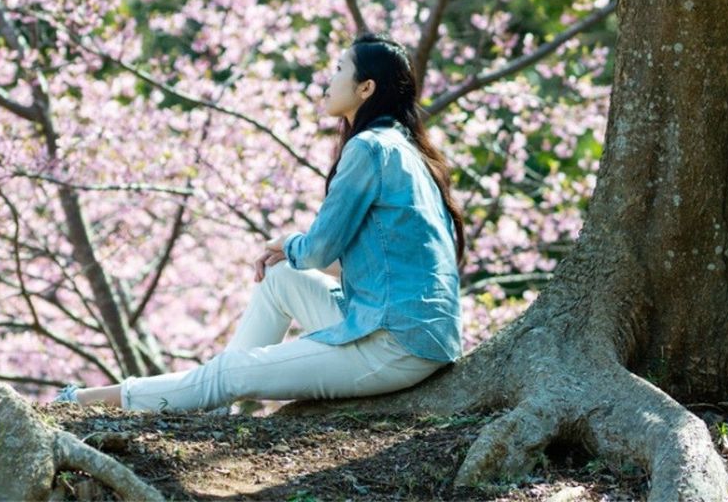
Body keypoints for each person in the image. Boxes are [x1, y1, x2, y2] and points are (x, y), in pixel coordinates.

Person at [53, 33, 466, 411]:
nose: (329, 78)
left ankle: (85, 401)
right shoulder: (408, 151)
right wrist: (285, 253)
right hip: (408, 329)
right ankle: (211, 409)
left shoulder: (369, 149)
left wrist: (288, 243)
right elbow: (387, 257)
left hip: (395, 346)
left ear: (365, 88)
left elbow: (320, 249)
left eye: (340, 68)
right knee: (279, 276)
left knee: (234, 370)